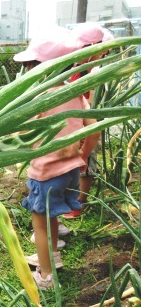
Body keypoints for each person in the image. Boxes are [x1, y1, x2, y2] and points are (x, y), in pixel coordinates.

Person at [14, 32, 101, 289]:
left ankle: (46, 276)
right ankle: (51, 258)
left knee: (40, 224)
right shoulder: (74, 95)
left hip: (46, 173)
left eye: (31, 67)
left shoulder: (39, 98)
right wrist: (82, 155)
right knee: (51, 217)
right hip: (72, 170)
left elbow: (24, 134)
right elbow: (93, 129)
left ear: (42, 68)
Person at [63, 23, 107, 219]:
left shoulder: (95, 70)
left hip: (87, 122)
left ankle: (79, 202)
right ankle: (70, 200)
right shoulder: (73, 68)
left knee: (86, 163)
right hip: (73, 121)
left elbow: (93, 100)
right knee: (71, 163)